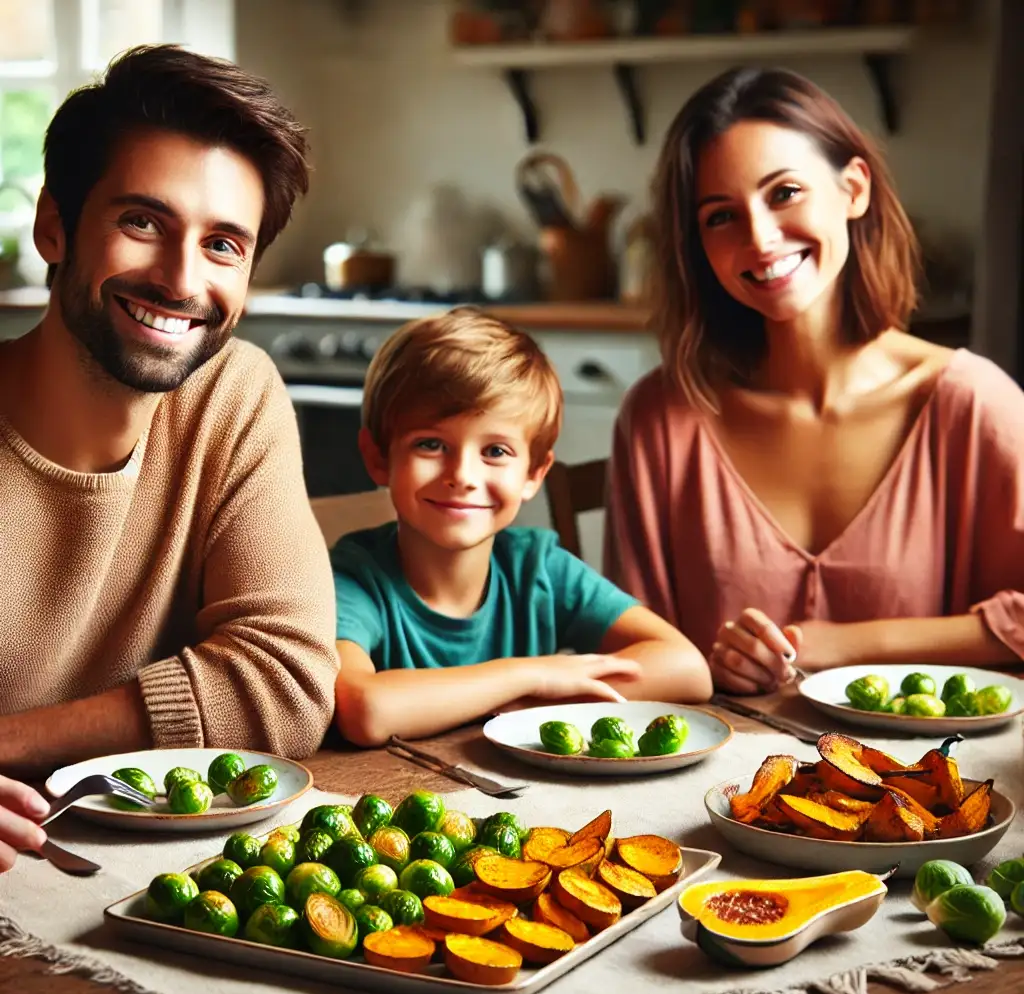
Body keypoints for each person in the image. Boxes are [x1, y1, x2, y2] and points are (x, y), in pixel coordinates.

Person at [605, 66, 1024, 695]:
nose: (760, 238)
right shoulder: (661, 417)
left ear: (854, 189)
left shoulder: (973, 403)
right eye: (721, 217)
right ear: (696, 245)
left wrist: (834, 644)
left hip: (934, 785)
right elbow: (633, 659)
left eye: (784, 192)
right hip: (714, 791)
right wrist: (703, 668)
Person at [0, 45, 338, 778]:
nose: (181, 281)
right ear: (55, 226)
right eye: (144, 223)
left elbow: (288, 685)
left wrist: (10, 746)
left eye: (222, 245)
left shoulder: (232, 394)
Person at [332, 308, 712, 746]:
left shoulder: (539, 568)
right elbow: (364, 708)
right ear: (379, 457)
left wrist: (527, 708)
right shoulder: (355, 578)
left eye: (494, 450)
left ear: (534, 472)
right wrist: (530, 673)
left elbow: (686, 667)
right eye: (431, 444)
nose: (463, 475)